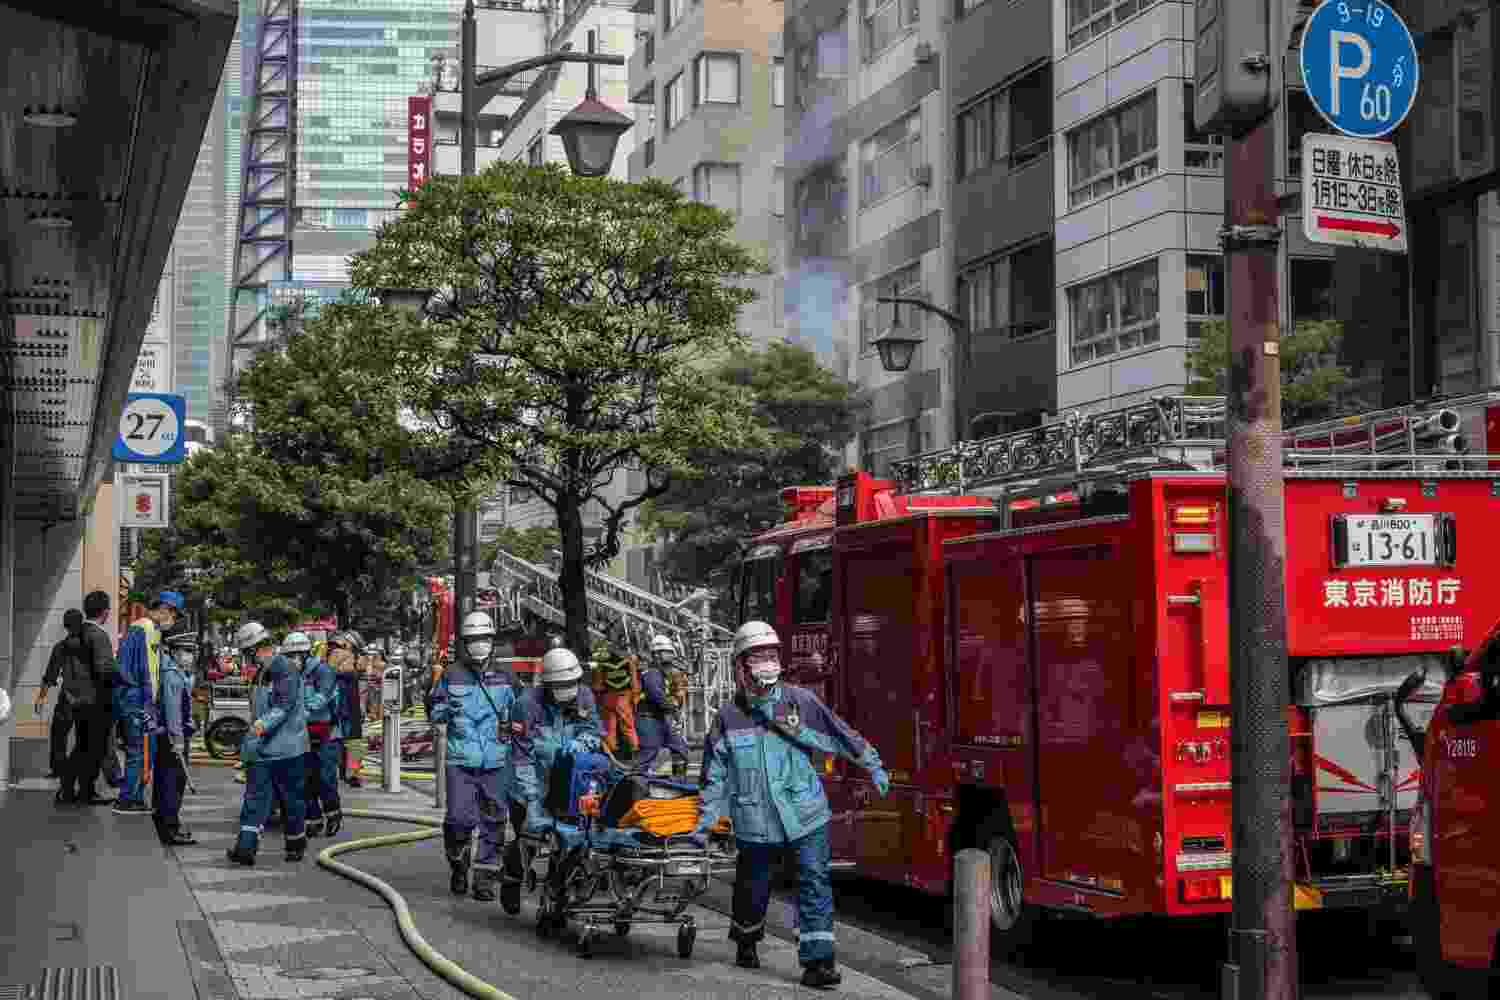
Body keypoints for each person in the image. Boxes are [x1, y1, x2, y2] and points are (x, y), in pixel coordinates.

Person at [692, 620, 890, 990]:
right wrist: (705, 822)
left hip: (805, 814)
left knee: (814, 881)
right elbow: (713, 775)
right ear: (740, 666)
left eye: (772, 656)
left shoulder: (799, 702)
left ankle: (818, 963)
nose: (767, 663)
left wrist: (873, 764)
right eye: (758, 657)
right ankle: (746, 938)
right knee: (753, 887)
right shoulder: (728, 718)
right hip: (755, 820)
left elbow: (838, 733)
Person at [503, 645, 602, 916]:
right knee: (530, 836)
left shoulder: (583, 697)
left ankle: (557, 894)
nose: (568, 690)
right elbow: (521, 757)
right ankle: (512, 877)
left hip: (565, 782)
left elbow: (593, 730)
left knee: (570, 839)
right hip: (528, 781)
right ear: (547, 684)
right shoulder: (526, 705)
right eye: (561, 685)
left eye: (572, 683)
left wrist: (583, 741)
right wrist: (533, 798)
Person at [427, 611, 516, 901]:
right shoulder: (451, 675)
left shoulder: (507, 676)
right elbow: (434, 709)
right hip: (460, 761)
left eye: (484, 639)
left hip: (497, 760)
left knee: (494, 821)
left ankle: (485, 879)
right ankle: (458, 864)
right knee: (458, 819)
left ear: (492, 641)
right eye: (474, 639)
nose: (480, 644)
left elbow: (524, 711)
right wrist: (445, 711)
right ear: (466, 643)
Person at [226, 621, 310, 866]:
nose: (247, 659)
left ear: (255, 649)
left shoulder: (285, 669)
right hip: (264, 750)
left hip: (287, 750)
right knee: (254, 799)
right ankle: (245, 849)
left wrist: (260, 727)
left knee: (291, 800)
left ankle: (296, 844)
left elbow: (283, 706)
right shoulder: (263, 672)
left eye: (247, 653)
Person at [113, 591, 184, 815]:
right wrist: (142, 703)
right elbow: (133, 670)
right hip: (137, 702)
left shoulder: (149, 630)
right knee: (139, 750)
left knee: (144, 750)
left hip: (139, 701)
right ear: (164, 608)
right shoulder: (142, 629)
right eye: (174, 614)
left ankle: (133, 796)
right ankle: (128, 799)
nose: (174, 620)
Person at [290, 631, 342, 838]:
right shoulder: (293, 673)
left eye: (295, 655)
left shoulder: (323, 671)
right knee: (305, 778)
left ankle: (333, 813)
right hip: (302, 731)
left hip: (326, 731)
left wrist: (302, 709)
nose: (292, 659)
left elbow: (323, 696)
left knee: (325, 777)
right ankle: (313, 817)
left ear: (305, 654)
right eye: (289, 655)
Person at [152, 629, 199, 846]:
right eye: (185, 651)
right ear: (174, 652)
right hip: (173, 738)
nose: (190, 656)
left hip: (169, 736)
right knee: (173, 783)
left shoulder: (175, 672)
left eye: (192, 651)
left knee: (167, 782)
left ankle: (166, 825)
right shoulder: (172, 675)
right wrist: (178, 741)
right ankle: (169, 829)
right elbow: (173, 712)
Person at [36, 609, 83, 781]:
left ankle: (59, 769)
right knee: (85, 736)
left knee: (58, 734)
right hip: (90, 697)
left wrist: (41, 697)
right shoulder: (90, 644)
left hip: (68, 697)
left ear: (65, 626)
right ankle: (80, 770)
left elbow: (50, 675)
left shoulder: (61, 647)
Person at [636, 634, 692, 779]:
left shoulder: (661, 674)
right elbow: (657, 696)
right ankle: (637, 788)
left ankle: (679, 781)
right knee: (647, 756)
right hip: (648, 721)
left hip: (660, 719)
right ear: (657, 655)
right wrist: (673, 710)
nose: (670, 656)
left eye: (670, 652)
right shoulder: (652, 673)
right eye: (667, 652)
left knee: (680, 748)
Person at [328, 632, 367, 787]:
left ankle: (349, 772)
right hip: (345, 703)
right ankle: (351, 773)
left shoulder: (333, 655)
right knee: (352, 739)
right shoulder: (343, 655)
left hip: (344, 703)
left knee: (345, 739)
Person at [594, 639, 639, 760]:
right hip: (624, 697)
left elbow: (598, 685)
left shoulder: (602, 663)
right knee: (628, 726)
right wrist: (635, 697)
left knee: (609, 727)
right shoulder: (629, 661)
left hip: (608, 697)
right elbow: (634, 681)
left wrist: (599, 698)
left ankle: (611, 753)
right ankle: (634, 751)